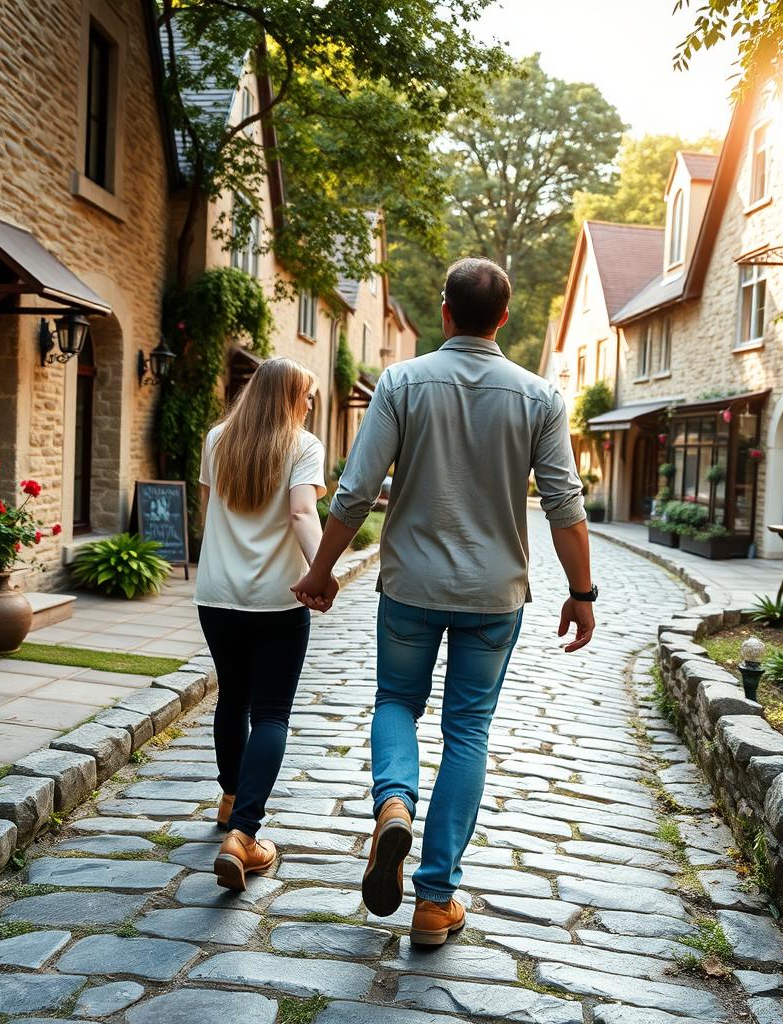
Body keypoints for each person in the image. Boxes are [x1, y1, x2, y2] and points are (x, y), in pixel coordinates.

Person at [294, 257, 595, 945]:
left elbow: (355, 490)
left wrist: (321, 569)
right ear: (506, 318)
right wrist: (581, 592)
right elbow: (564, 505)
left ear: (445, 312)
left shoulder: (401, 382)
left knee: (397, 701)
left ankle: (394, 803)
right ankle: (435, 902)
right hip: (494, 596)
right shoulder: (539, 397)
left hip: (410, 588)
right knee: (467, 729)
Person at [194, 357, 332, 891]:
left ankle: (230, 800)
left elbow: (210, 510)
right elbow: (301, 514)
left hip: (217, 596)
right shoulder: (303, 445)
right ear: (290, 397)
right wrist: (322, 573)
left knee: (233, 699)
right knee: (271, 714)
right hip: (278, 598)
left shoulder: (216, 439)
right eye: (307, 396)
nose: (310, 405)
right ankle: (244, 835)